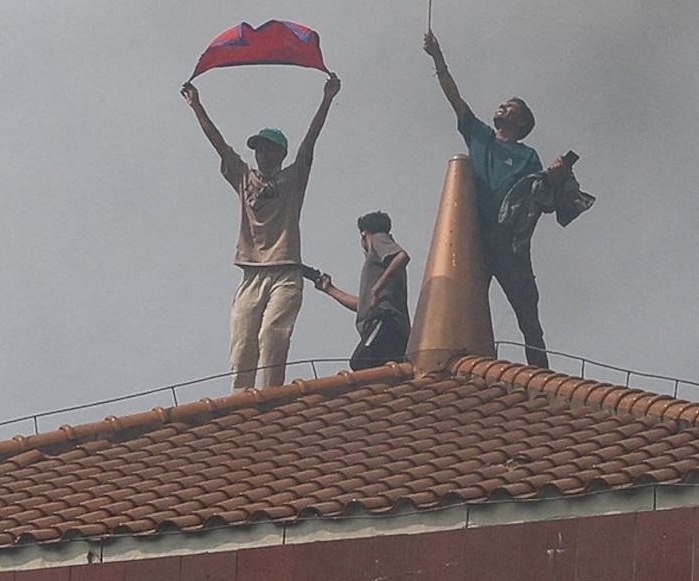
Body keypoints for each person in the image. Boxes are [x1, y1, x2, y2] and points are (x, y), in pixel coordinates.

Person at [422, 30, 593, 368]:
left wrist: (553, 175)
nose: (503, 107)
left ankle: (540, 371)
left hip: (507, 241)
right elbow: (455, 98)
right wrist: (437, 57)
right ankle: (469, 366)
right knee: (465, 302)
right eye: (504, 105)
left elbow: (536, 196)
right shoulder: (480, 136)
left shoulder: (526, 156)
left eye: (511, 108)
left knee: (527, 311)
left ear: (522, 122)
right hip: (474, 234)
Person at [184, 71, 340, 391]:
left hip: (285, 271)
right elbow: (219, 144)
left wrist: (327, 99)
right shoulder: (245, 178)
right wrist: (197, 106)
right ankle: (241, 404)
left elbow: (309, 143)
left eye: (269, 150)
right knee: (242, 342)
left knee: (272, 335)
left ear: (281, 153)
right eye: (259, 150)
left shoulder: (293, 179)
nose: (263, 155)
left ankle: (271, 398)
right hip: (252, 272)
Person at [308, 211, 411, 369]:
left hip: (386, 323)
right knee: (378, 369)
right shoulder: (379, 261)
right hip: (392, 328)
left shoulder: (378, 239)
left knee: (360, 362)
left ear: (363, 234)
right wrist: (330, 289)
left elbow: (402, 256)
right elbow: (362, 304)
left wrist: (376, 289)